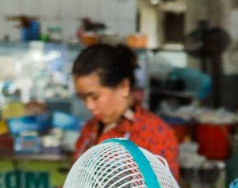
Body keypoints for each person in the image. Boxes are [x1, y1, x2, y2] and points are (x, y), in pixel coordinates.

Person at [71, 42, 180, 179]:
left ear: (124, 86)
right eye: (83, 98)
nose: (89, 106)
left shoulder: (155, 135)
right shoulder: (90, 128)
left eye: (94, 97)